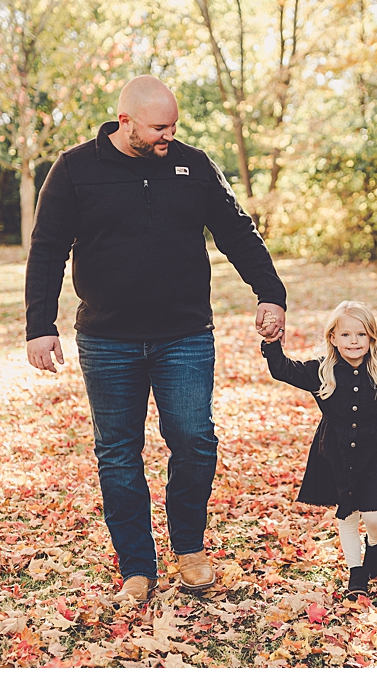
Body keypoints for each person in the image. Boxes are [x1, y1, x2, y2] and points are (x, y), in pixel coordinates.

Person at [25, 76, 288, 604]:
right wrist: (40, 325)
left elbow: (238, 230)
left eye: (174, 125)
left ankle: (189, 548)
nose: (170, 135)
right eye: (159, 127)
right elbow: (48, 246)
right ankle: (137, 566)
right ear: (126, 122)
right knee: (118, 453)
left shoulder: (193, 166)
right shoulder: (76, 169)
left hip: (184, 335)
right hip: (108, 339)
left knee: (195, 439)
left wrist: (270, 293)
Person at [261, 299, 377, 597]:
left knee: (373, 516)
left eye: (361, 334)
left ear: (371, 338)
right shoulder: (321, 370)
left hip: (374, 452)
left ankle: (375, 542)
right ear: (333, 338)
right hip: (334, 450)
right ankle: (355, 575)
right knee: (347, 513)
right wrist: (272, 342)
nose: (353, 341)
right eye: (345, 335)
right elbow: (283, 369)